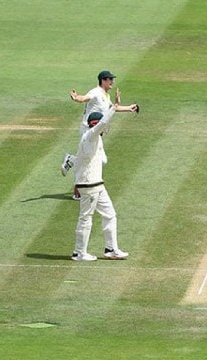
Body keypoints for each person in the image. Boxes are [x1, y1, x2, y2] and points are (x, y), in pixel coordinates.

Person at [62, 70, 138, 199]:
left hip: (97, 133)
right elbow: (85, 98)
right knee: (89, 160)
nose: (112, 82)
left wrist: (129, 108)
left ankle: (71, 161)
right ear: (103, 80)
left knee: (100, 160)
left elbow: (112, 108)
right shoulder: (96, 92)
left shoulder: (105, 95)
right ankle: (78, 190)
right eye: (110, 79)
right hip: (88, 131)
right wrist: (76, 98)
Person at [71, 108, 129, 261]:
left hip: (97, 183)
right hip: (90, 185)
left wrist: (75, 183)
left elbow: (78, 162)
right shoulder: (90, 136)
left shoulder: (96, 139)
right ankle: (79, 253)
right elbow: (102, 124)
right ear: (96, 125)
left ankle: (111, 249)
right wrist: (114, 108)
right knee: (86, 218)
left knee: (110, 214)